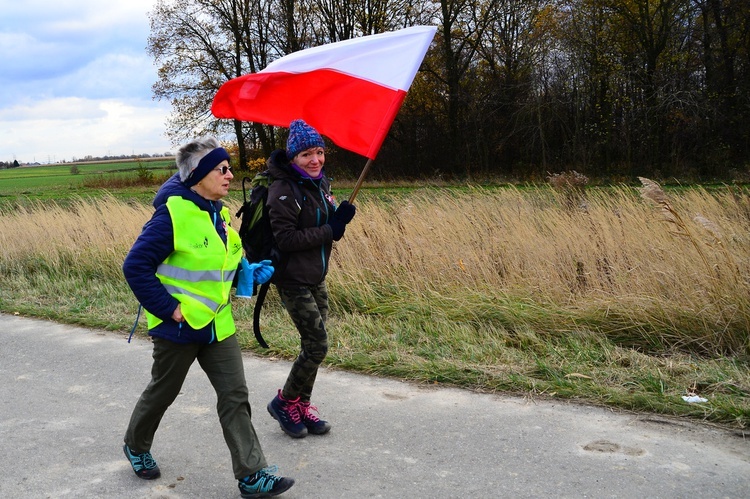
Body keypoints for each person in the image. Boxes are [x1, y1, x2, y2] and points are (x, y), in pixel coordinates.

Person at [121, 137, 294, 498]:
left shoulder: (220, 214)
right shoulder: (172, 216)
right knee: (162, 392)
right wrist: (170, 309)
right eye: (222, 169)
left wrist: (246, 273)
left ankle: (252, 475)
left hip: (219, 326)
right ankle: (136, 446)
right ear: (199, 175)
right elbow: (136, 266)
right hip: (178, 329)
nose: (230, 175)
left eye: (229, 168)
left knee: (235, 396)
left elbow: (216, 269)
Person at [264, 119, 356, 438]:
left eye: (319, 151)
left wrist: (338, 219)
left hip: (317, 276)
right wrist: (331, 230)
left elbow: (325, 228)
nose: (315, 159)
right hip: (292, 279)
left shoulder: (319, 183)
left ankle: (302, 405)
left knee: (312, 345)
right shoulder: (283, 190)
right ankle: (284, 402)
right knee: (317, 345)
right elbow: (286, 240)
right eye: (306, 154)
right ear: (293, 159)